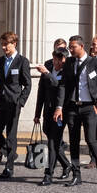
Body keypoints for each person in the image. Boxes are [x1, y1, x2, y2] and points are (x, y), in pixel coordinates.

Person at [60, 35, 97, 185]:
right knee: (73, 141)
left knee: (90, 140)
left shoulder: (94, 62)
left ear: (81, 46)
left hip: (89, 107)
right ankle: (76, 175)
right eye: (70, 47)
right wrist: (60, 106)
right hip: (73, 107)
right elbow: (63, 85)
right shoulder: (69, 62)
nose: (70, 49)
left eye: (73, 47)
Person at [0, 31, 33, 179]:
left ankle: (9, 168)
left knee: (11, 135)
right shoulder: (0, 61)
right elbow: (0, 81)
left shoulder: (22, 61)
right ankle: (11, 153)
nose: (3, 47)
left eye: (6, 44)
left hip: (14, 103)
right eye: (2, 44)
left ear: (14, 44)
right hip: (1, 102)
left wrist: (20, 102)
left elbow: (28, 84)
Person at [33, 44, 73, 185]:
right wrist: (37, 113)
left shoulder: (67, 72)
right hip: (47, 111)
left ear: (63, 61)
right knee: (52, 139)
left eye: (58, 61)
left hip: (60, 112)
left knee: (52, 142)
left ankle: (48, 174)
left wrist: (46, 73)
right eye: (54, 60)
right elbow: (41, 93)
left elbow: (58, 85)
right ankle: (66, 164)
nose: (55, 63)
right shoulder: (49, 70)